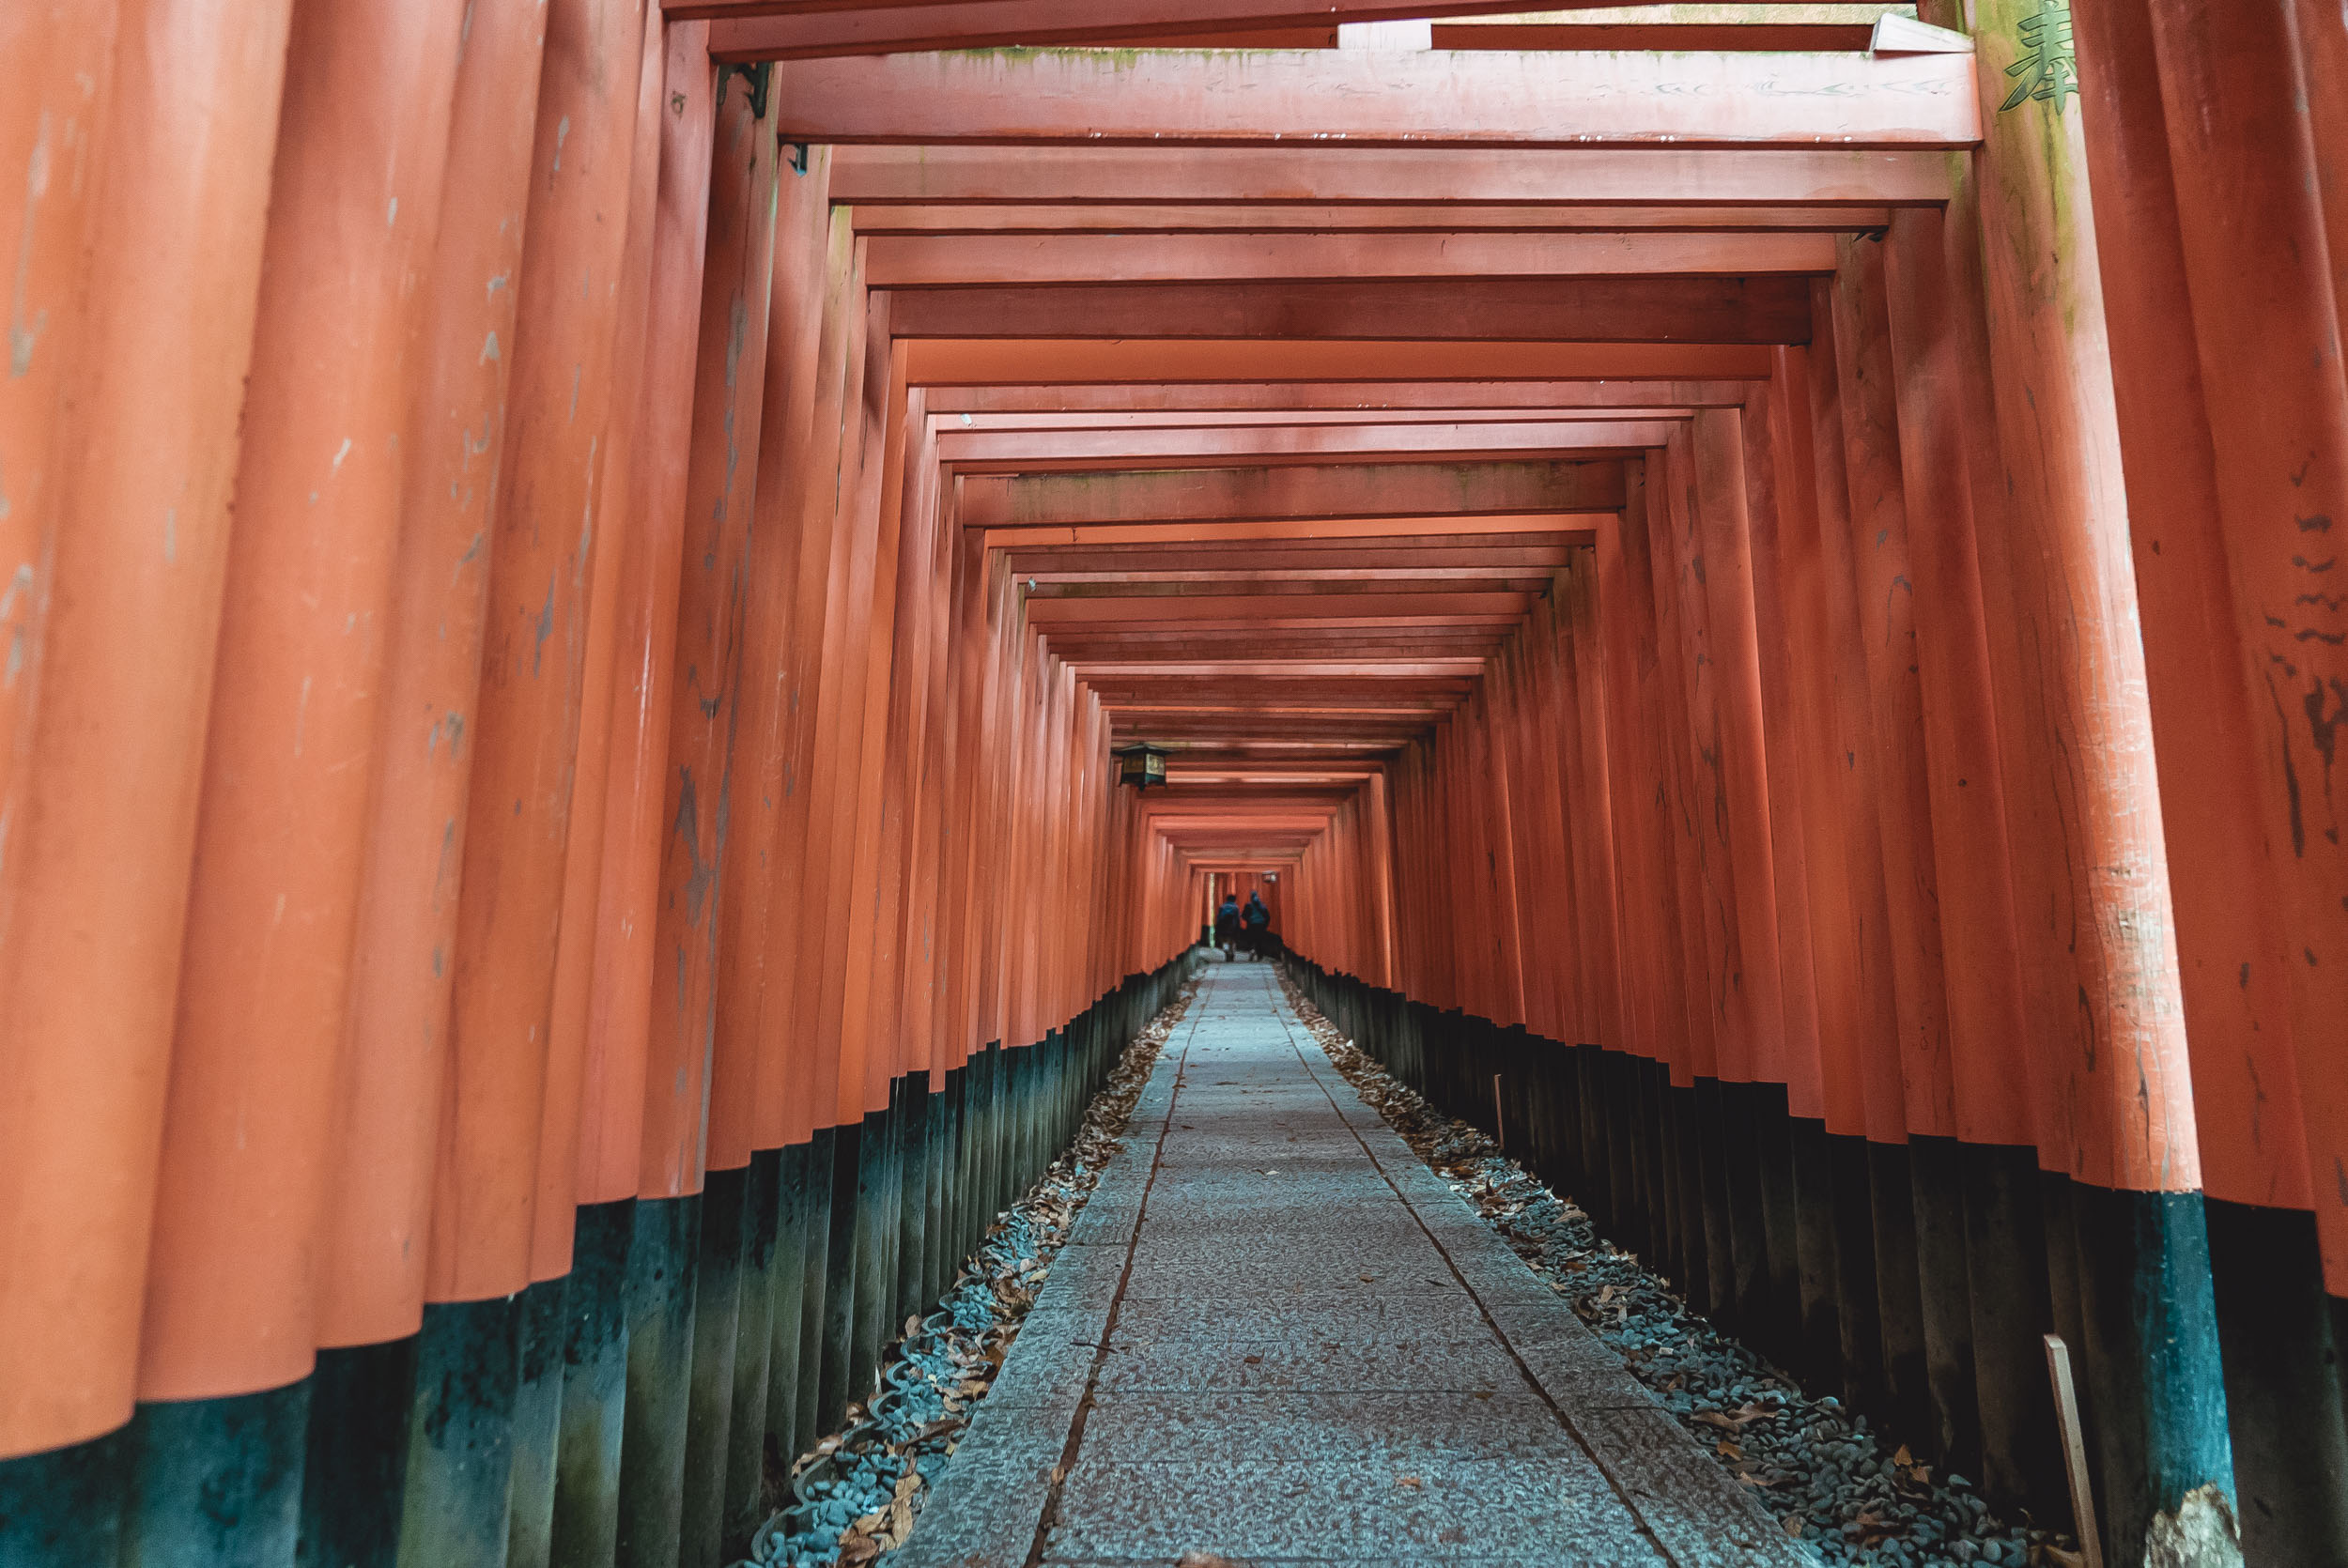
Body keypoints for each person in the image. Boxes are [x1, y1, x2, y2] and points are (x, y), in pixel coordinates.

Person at [1242, 889, 1271, 961]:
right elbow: (1267, 916)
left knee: (1251, 939)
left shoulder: (1248, 905)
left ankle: (1252, 950)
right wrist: (1265, 925)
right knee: (1260, 940)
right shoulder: (1263, 906)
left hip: (1251, 925)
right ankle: (1259, 956)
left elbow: (1243, 915)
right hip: (1261, 925)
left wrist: (1248, 919)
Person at [1214, 893, 1241, 961]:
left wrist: (1217, 925)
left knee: (1224, 940)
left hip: (1223, 926)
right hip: (1232, 926)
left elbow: (1219, 917)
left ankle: (1226, 951)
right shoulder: (1236, 907)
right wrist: (1238, 927)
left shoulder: (1222, 907)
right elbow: (1237, 918)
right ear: (1234, 900)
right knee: (1232, 940)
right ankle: (1232, 953)